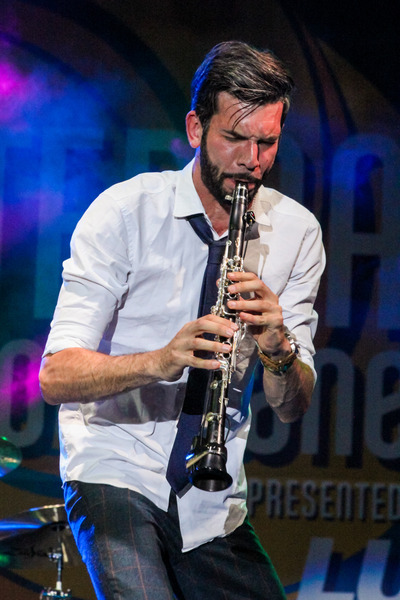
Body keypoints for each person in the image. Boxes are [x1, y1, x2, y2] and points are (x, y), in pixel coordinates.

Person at [39, 41, 325, 600]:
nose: (252, 160)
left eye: (267, 142)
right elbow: (55, 376)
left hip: (211, 500)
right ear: (196, 129)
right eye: (234, 138)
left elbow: (292, 406)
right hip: (112, 467)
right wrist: (160, 361)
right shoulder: (125, 212)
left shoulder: (298, 233)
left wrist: (276, 345)